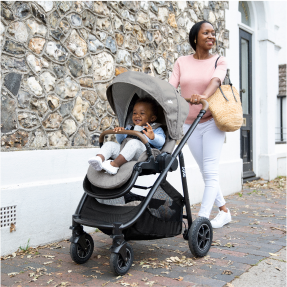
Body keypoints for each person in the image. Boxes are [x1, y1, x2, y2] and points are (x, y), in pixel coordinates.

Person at [169, 20, 232, 228]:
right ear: (195, 37)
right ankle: (224, 211)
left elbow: (216, 81)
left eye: (213, 33)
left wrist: (202, 96)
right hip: (190, 124)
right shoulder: (182, 62)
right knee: (205, 170)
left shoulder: (219, 61)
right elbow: (171, 87)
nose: (211, 36)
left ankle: (202, 220)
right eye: (206, 33)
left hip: (212, 121)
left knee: (211, 170)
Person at [88, 97, 166, 175]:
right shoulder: (130, 127)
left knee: (134, 143)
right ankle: (99, 159)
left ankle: (114, 165)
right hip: (125, 153)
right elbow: (121, 141)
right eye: (135, 113)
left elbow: (161, 142)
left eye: (142, 113)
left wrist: (152, 137)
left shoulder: (155, 129)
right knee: (109, 144)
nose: (137, 115)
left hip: (144, 155)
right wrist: (120, 132)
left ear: (152, 118)